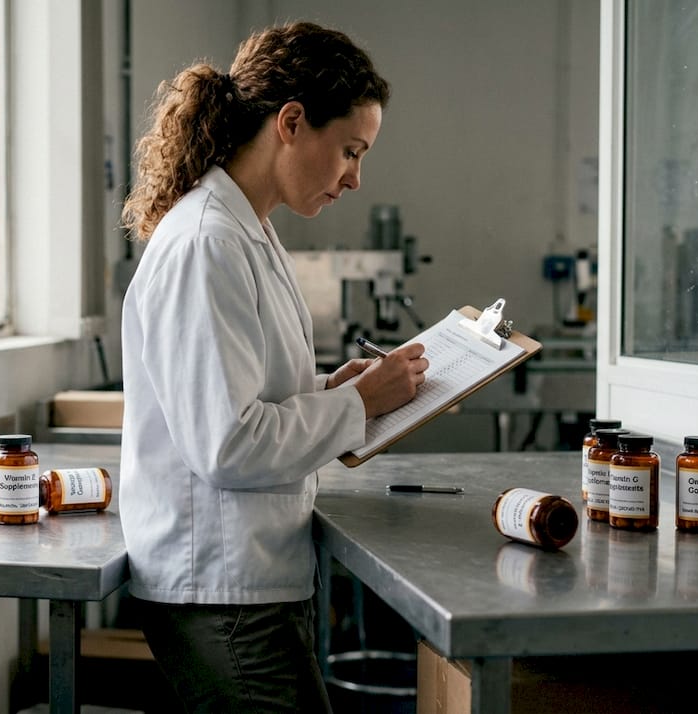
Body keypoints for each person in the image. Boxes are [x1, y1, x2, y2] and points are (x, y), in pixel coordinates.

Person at [118, 20, 427, 713]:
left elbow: (248, 397)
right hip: (221, 592)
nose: (355, 178)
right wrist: (359, 406)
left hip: (250, 580)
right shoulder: (208, 242)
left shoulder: (248, 229)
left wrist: (331, 390)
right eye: (350, 150)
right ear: (291, 122)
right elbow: (228, 444)